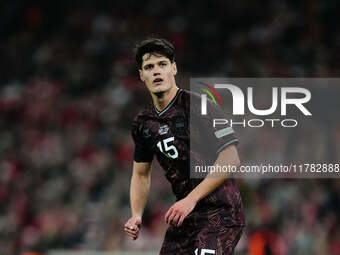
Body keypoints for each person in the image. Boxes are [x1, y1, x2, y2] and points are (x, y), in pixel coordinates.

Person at [124, 38, 245, 255]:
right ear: (142, 75)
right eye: (149, 67)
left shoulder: (200, 105)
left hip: (221, 213)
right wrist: (136, 214)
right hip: (186, 218)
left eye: (162, 64)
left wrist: (191, 199)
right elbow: (141, 174)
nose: (156, 71)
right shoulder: (143, 124)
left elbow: (231, 158)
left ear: (173, 68)